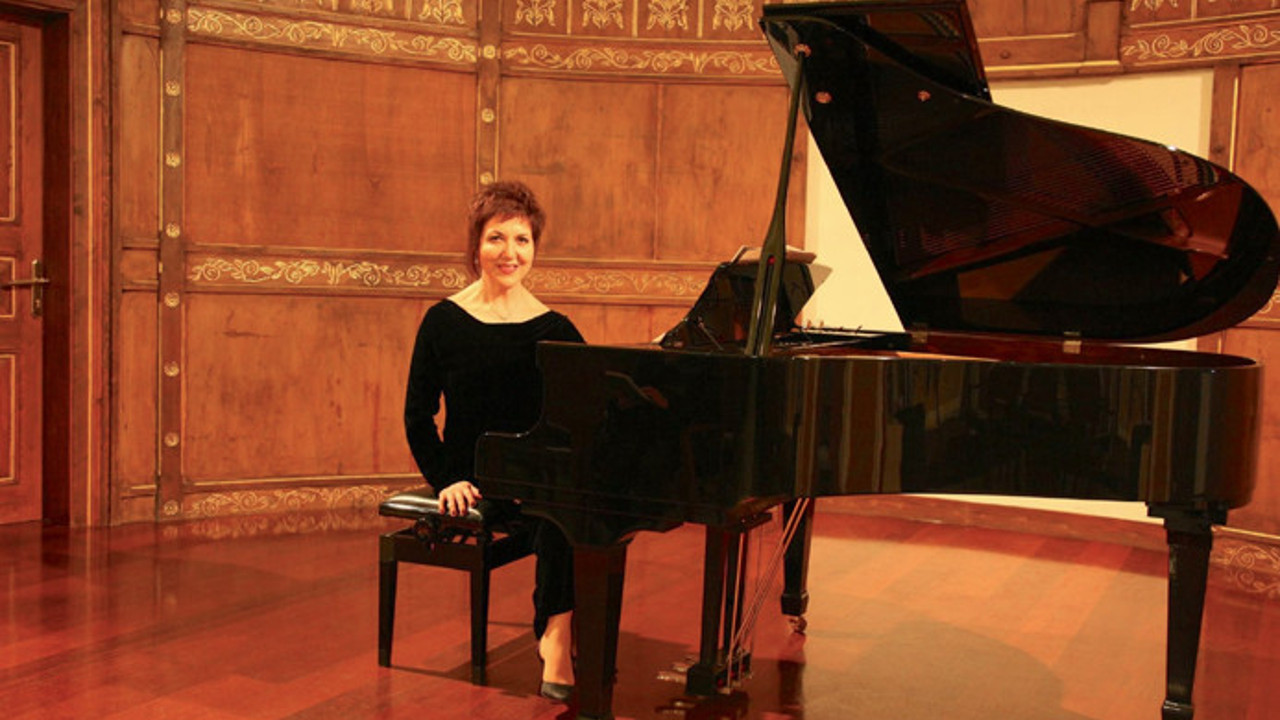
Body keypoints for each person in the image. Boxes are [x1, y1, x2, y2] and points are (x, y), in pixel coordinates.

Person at [403, 180, 583, 702]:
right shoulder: (443, 322)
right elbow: (418, 415)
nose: (510, 253)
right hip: (474, 474)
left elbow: (585, 410)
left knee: (571, 503)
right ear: (476, 245)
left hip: (535, 474)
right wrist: (445, 479)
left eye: (522, 240)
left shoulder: (556, 328)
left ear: (535, 248)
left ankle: (556, 632)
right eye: (497, 238)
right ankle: (558, 631)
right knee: (560, 508)